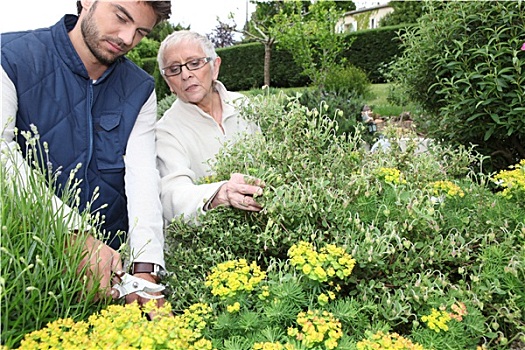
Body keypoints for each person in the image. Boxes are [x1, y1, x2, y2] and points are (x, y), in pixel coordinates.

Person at [1, 0, 171, 307]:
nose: (127, 38)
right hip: (20, 272)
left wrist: (145, 271)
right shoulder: (10, 56)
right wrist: (72, 235)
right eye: (121, 17)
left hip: (111, 278)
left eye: (141, 32)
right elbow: (2, 154)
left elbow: (143, 177)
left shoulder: (140, 88)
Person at [155, 30, 264, 223]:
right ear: (168, 83)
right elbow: (172, 196)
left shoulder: (245, 106)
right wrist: (219, 194)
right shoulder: (166, 131)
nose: (186, 75)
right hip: (204, 244)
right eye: (174, 69)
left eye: (195, 63)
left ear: (215, 67)